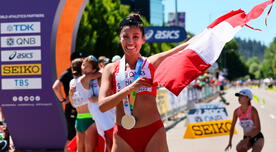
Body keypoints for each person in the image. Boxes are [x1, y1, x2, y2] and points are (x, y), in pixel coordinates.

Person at [98, 13, 193, 152]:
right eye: (125, 36)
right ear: (120, 39)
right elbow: (102, 106)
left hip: (153, 132)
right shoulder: (110, 69)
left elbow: (185, 48)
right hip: (123, 135)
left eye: (135, 37)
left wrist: (211, 33)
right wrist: (131, 88)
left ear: (143, 39)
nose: (130, 41)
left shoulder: (151, 63)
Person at [52, 52, 83, 151]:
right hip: (75, 109)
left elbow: (56, 87)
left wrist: (64, 100)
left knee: (76, 136)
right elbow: (55, 87)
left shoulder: (74, 73)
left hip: (77, 109)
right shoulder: (72, 74)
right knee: (72, 136)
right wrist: (64, 100)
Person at [69, 57, 99, 152]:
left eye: (87, 66)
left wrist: (70, 94)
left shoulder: (72, 82)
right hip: (88, 118)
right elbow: (104, 73)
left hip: (79, 118)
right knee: (88, 149)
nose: (84, 68)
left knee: (80, 149)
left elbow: (73, 105)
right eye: (83, 65)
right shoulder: (87, 77)